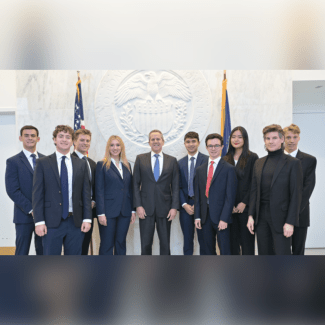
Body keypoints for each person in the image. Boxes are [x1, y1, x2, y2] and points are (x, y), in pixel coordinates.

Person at [32, 125, 92, 255]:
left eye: (68, 137)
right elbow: (37, 195)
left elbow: (86, 193)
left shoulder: (80, 163)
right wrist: (39, 221)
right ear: (54, 140)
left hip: (75, 222)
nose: (64, 140)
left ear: (72, 141)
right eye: (61, 136)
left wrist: (87, 218)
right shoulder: (42, 163)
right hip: (50, 222)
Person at [247, 124, 303, 255]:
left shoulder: (293, 163)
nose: (270, 141)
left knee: (282, 256)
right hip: (261, 218)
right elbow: (254, 191)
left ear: (282, 139)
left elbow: (296, 195)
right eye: (267, 138)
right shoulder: (259, 163)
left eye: (274, 138)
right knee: (264, 255)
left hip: (282, 219)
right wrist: (251, 215)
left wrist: (290, 222)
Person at [133, 129, 179, 255]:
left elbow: (175, 186)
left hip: (165, 208)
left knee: (165, 244)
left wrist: (174, 207)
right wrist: (138, 206)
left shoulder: (172, 160)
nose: (155, 141)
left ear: (163, 142)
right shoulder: (140, 159)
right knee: (146, 244)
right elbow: (135, 184)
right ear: (149, 142)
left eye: (158, 139)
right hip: (145, 209)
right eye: (152, 139)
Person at [194, 133, 237, 255]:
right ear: (206, 147)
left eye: (216, 145)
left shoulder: (229, 169)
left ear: (222, 147)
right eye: (210, 146)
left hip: (221, 217)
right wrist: (197, 216)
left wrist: (224, 218)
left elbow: (230, 197)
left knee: (225, 250)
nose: (213, 148)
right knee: (207, 250)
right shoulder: (200, 169)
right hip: (204, 216)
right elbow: (198, 196)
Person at [5, 125, 44, 255]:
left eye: (33, 136)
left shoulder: (46, 160)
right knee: (22, 252)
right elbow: (12, 190)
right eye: (26, 135)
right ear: (20, 138)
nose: (29, 138)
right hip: (23, 215)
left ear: (38, 139)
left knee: (43, 252)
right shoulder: (13, 162)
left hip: (44, 216)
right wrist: (32, 209)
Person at [95, 135, 136, 255]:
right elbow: (99, 190)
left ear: (122, 147)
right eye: (112, 145)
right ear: (108, 148)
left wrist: (132, 211)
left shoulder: (127, 166)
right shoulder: (102, 165)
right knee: (107, 244)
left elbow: (130, 189)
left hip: (125, 211)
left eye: (117, 145)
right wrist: (101, 213)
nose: (115, 148)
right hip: (108, 212)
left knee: (121, 243)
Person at [223, 126, 258, 255]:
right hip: (229, 209)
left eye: (239, 137)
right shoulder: (225, 158)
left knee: (247, 244)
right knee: (232, 244)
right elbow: (223, 186)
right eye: (233, 137)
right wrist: (229, 204)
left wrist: (244, 202)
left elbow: (254, 183)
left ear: (245, 139)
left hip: (246, 208)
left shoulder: (253, 157)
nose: (236, 139)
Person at [283, 124, 317, 255]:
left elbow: (308, 188)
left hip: (300, 213)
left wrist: (294, 213)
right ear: (283, 139)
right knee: (281, 252)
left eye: (294, 137)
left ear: (299, 138)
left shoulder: (309, 160)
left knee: (298, 251)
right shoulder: (275, 159)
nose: (291, 140)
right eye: (288, 137)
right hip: (279, 214)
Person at [178, 131, 208, 255]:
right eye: (188, 142)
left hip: (202, 205)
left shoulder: (207, 160)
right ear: (184, 144)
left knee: (204, 239)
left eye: (193, 141)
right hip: (186, 206)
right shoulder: (179, 163)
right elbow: (177, 187)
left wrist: (199, 203)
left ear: (198, 143)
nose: (191, 144)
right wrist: (184, 204)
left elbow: (210, 185)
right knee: (187, 239)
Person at [72, 128, 97, 255]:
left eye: (88, 141)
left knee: (85, 246)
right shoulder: (69, 160)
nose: (85, 143)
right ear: (74, 141)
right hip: (75, 213)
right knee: (74, 247)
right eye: (81, 140)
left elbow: (95, 187)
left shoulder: (92, 163)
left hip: (90, 211)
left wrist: (93, 201)